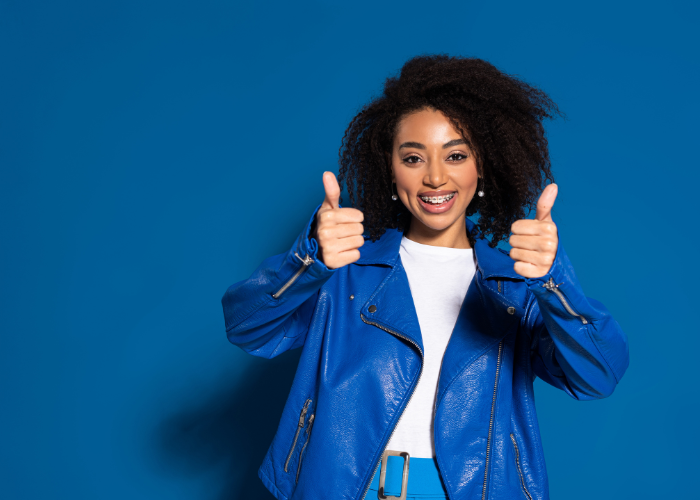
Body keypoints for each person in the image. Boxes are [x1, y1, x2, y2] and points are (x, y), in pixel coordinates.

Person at [221, 55, 629, 500]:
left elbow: (598, 376)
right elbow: (247, 327)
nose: (435, 177)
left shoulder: (517, 287)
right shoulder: (344, 272)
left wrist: (554, 283)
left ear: (482, 169)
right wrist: (308, 260)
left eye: (456, 155)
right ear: (391, 172)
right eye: (413, 157)